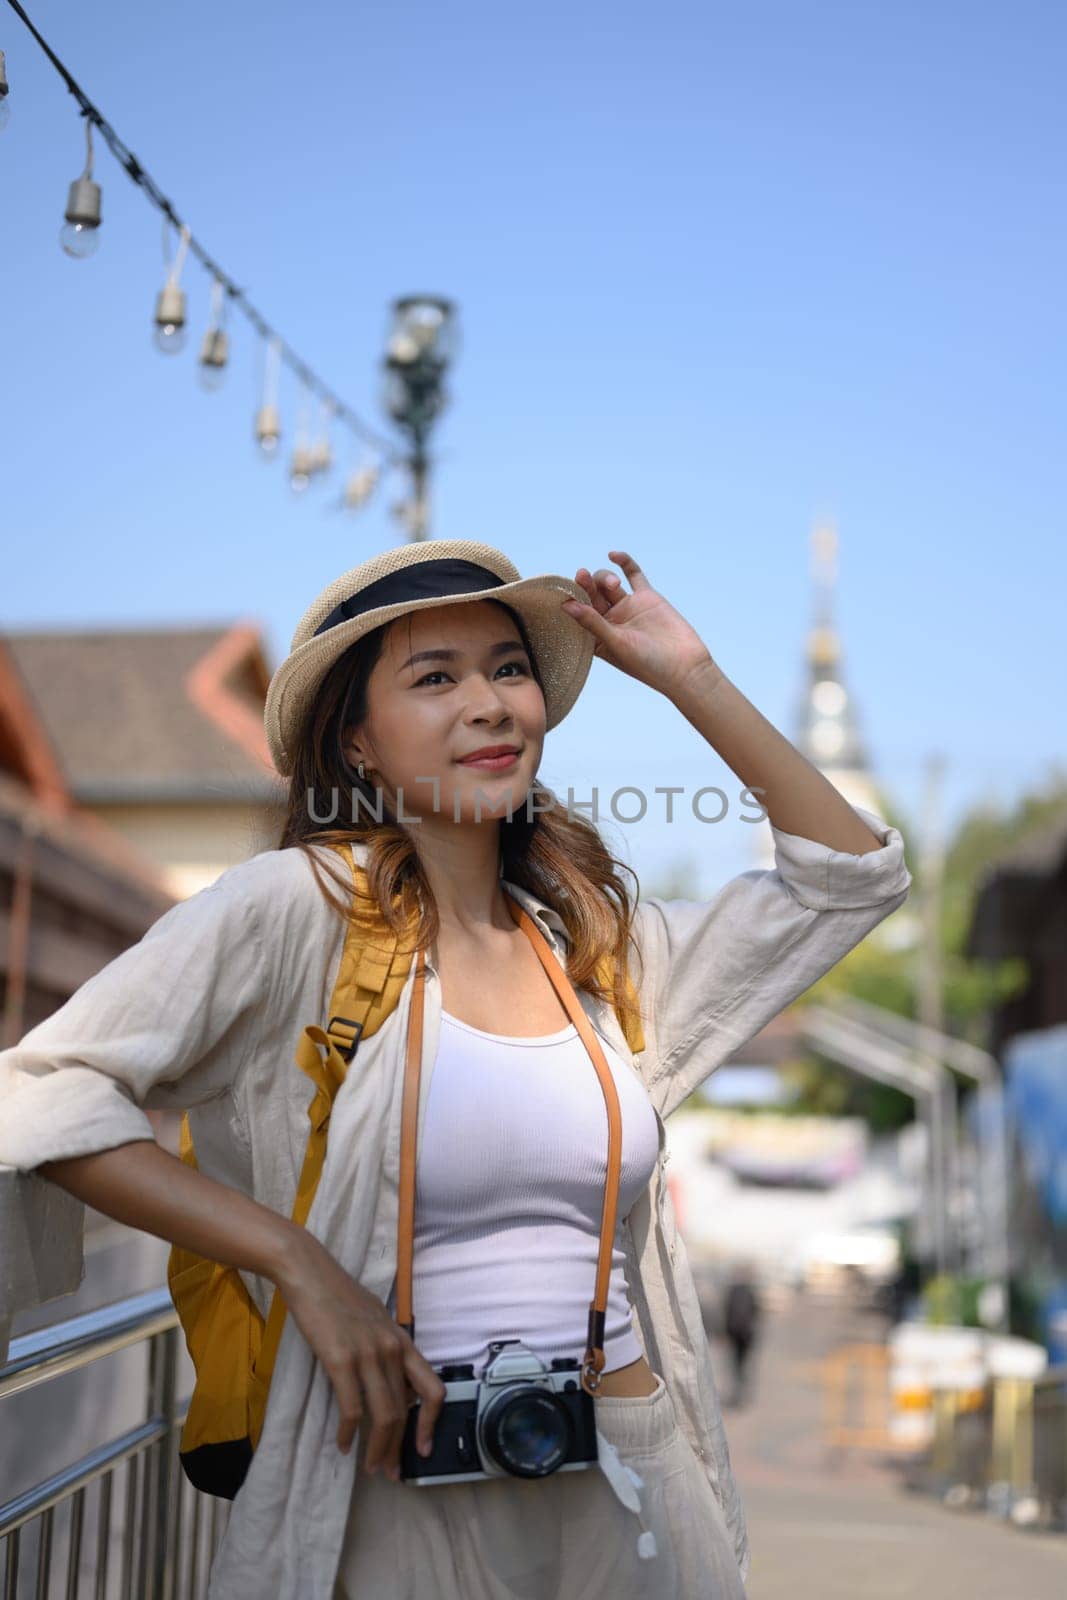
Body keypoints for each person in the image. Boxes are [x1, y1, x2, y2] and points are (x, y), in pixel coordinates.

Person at [0, 539, 912, 1599]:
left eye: (508, 669)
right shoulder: (298, 911)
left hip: (631, 1477)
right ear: (359, 741)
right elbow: (41, 1093)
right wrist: (297, 1261)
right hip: (392, 1490)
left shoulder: (596, 946)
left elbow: (849, 880)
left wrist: (687, 677)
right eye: (434, 677)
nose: (487, 703)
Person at [722, 1262, 762, 1408]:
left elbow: (726, 1313)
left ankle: (739, 1393)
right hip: (745, 1336)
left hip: (736, 1335)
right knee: (742, 1365)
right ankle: (741, 1393)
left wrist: (725, 1332)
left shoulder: (732, 1291)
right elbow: (757, 1314)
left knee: (736, 1365)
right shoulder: (750, 1292)